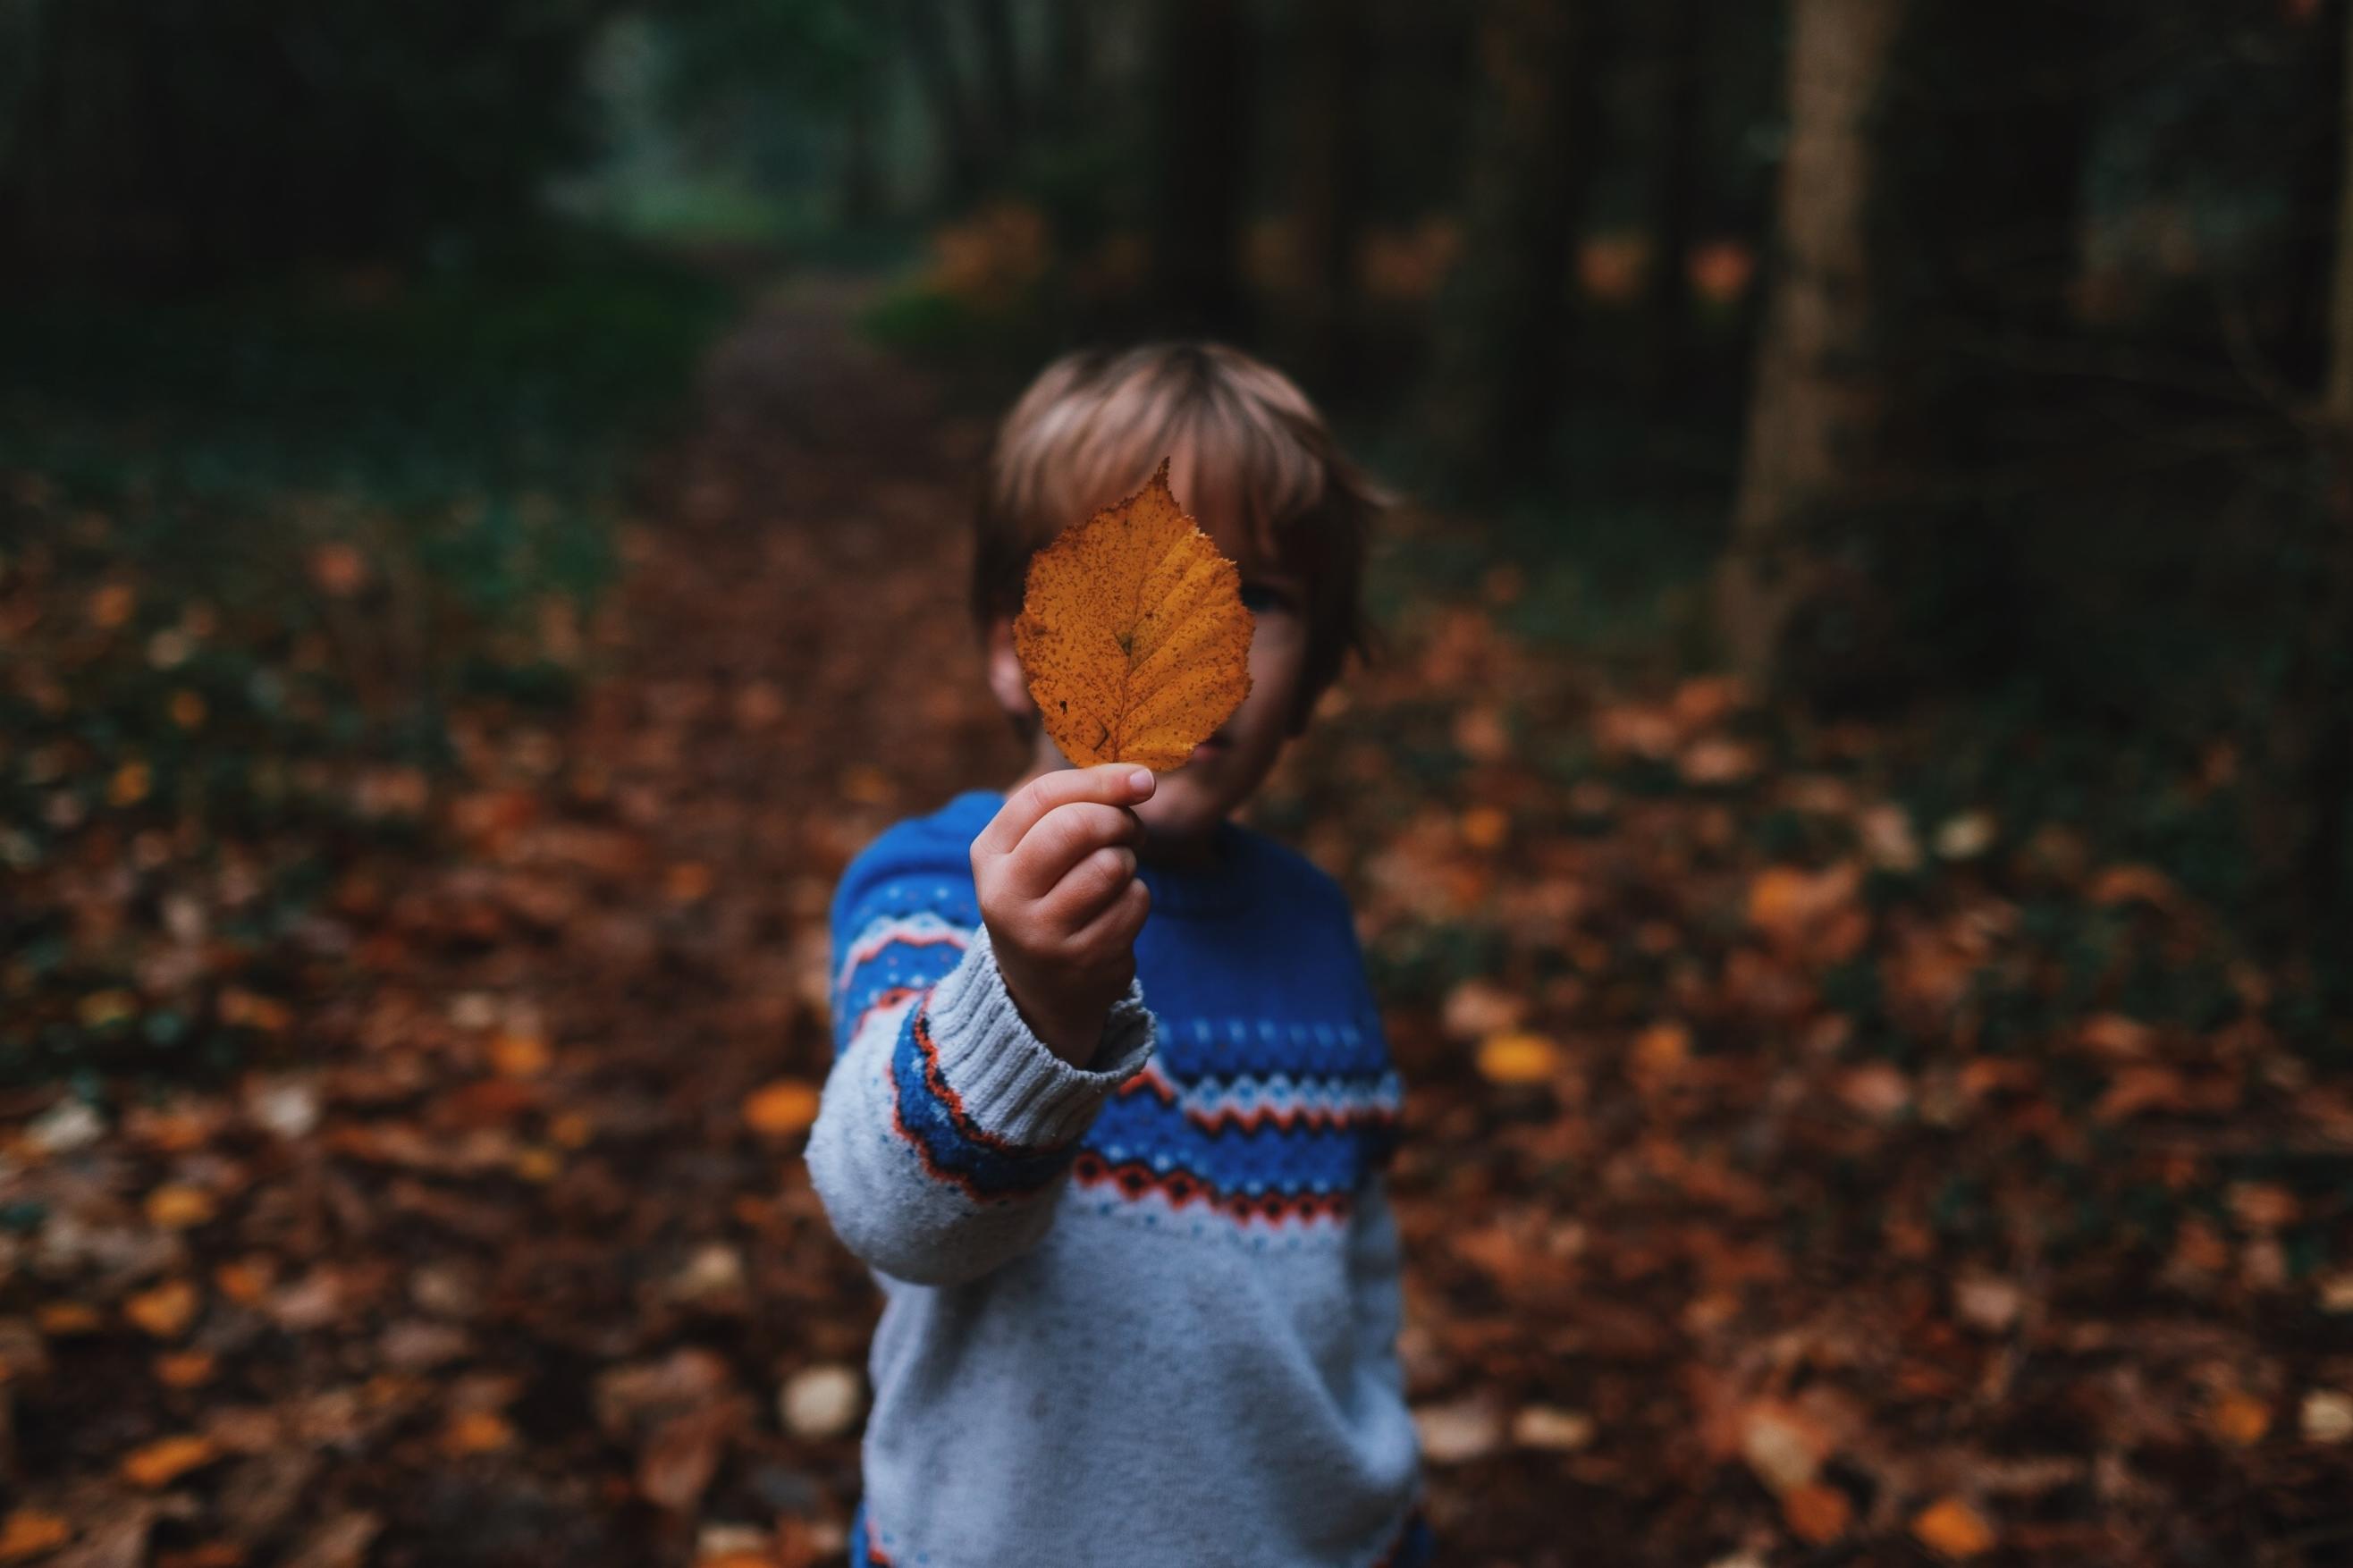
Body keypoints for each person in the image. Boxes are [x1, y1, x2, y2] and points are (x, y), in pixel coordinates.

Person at [807, 343, 1430, 1568]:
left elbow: (1357, 1280)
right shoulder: (938, 892)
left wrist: (1381, 1501)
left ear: (1314, 676)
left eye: (1258, 596)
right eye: (1124, 589)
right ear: (1014, 645)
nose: (1203, 640)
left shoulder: (1312, 924)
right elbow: (900, 1215)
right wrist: (1029, 1002)